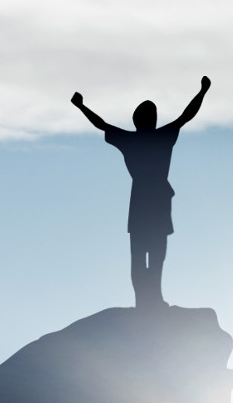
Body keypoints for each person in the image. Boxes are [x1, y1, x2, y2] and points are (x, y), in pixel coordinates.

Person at [72, 76, 210, 307]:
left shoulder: (131, 140)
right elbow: (187, 115)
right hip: (154, 200)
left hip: (143, 201)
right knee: (153, 254)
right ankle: (149, 300)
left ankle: (148, 300)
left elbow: (102, 124)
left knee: (144, 254)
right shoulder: (159, 137)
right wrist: (202, 91)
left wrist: (81, 106)